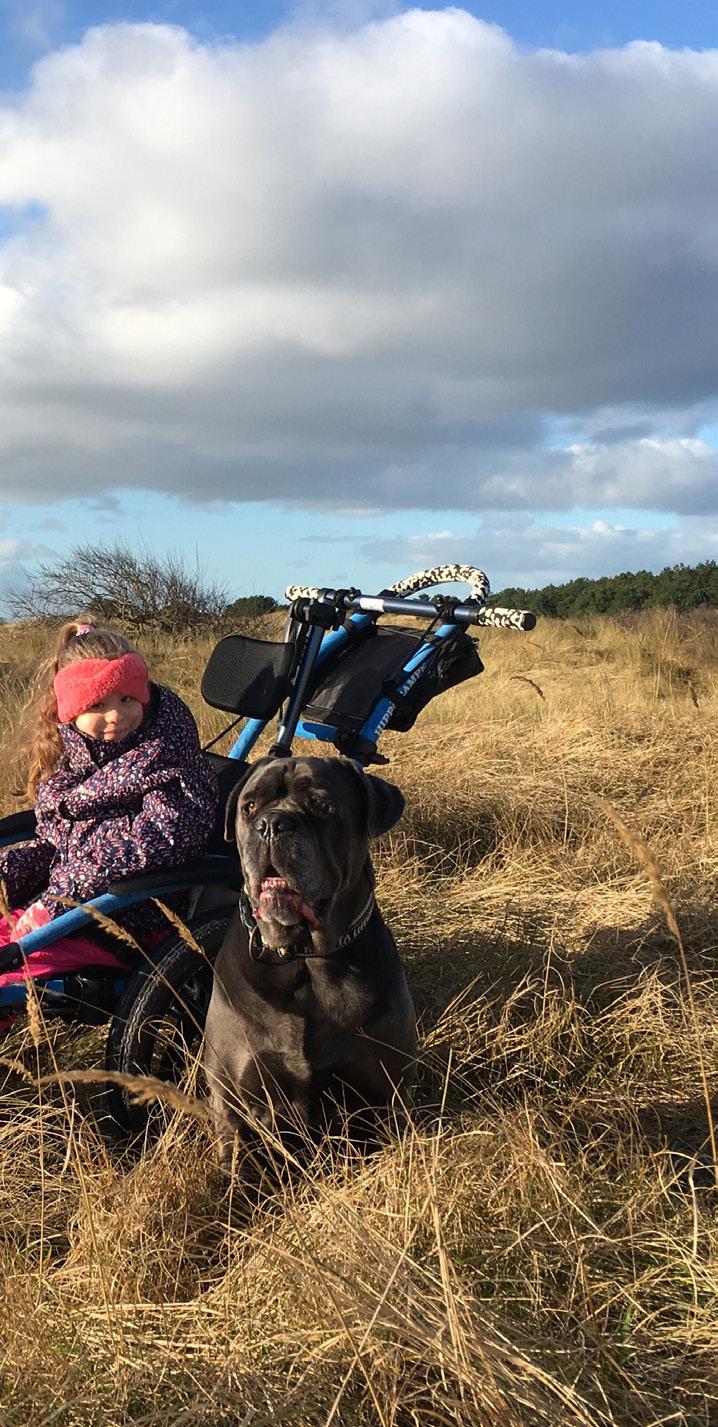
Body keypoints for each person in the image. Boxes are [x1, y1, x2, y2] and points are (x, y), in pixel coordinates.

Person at [0, 618, 218, 962]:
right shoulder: (71, 751)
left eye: (127, 699)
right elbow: (55, 837)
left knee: (17, 965)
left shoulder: (166, 755)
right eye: (98, 705)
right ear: (70, 711)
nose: (116, 715)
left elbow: (167, 835)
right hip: (69, 886)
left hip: (131, 913)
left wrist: (63, 896)